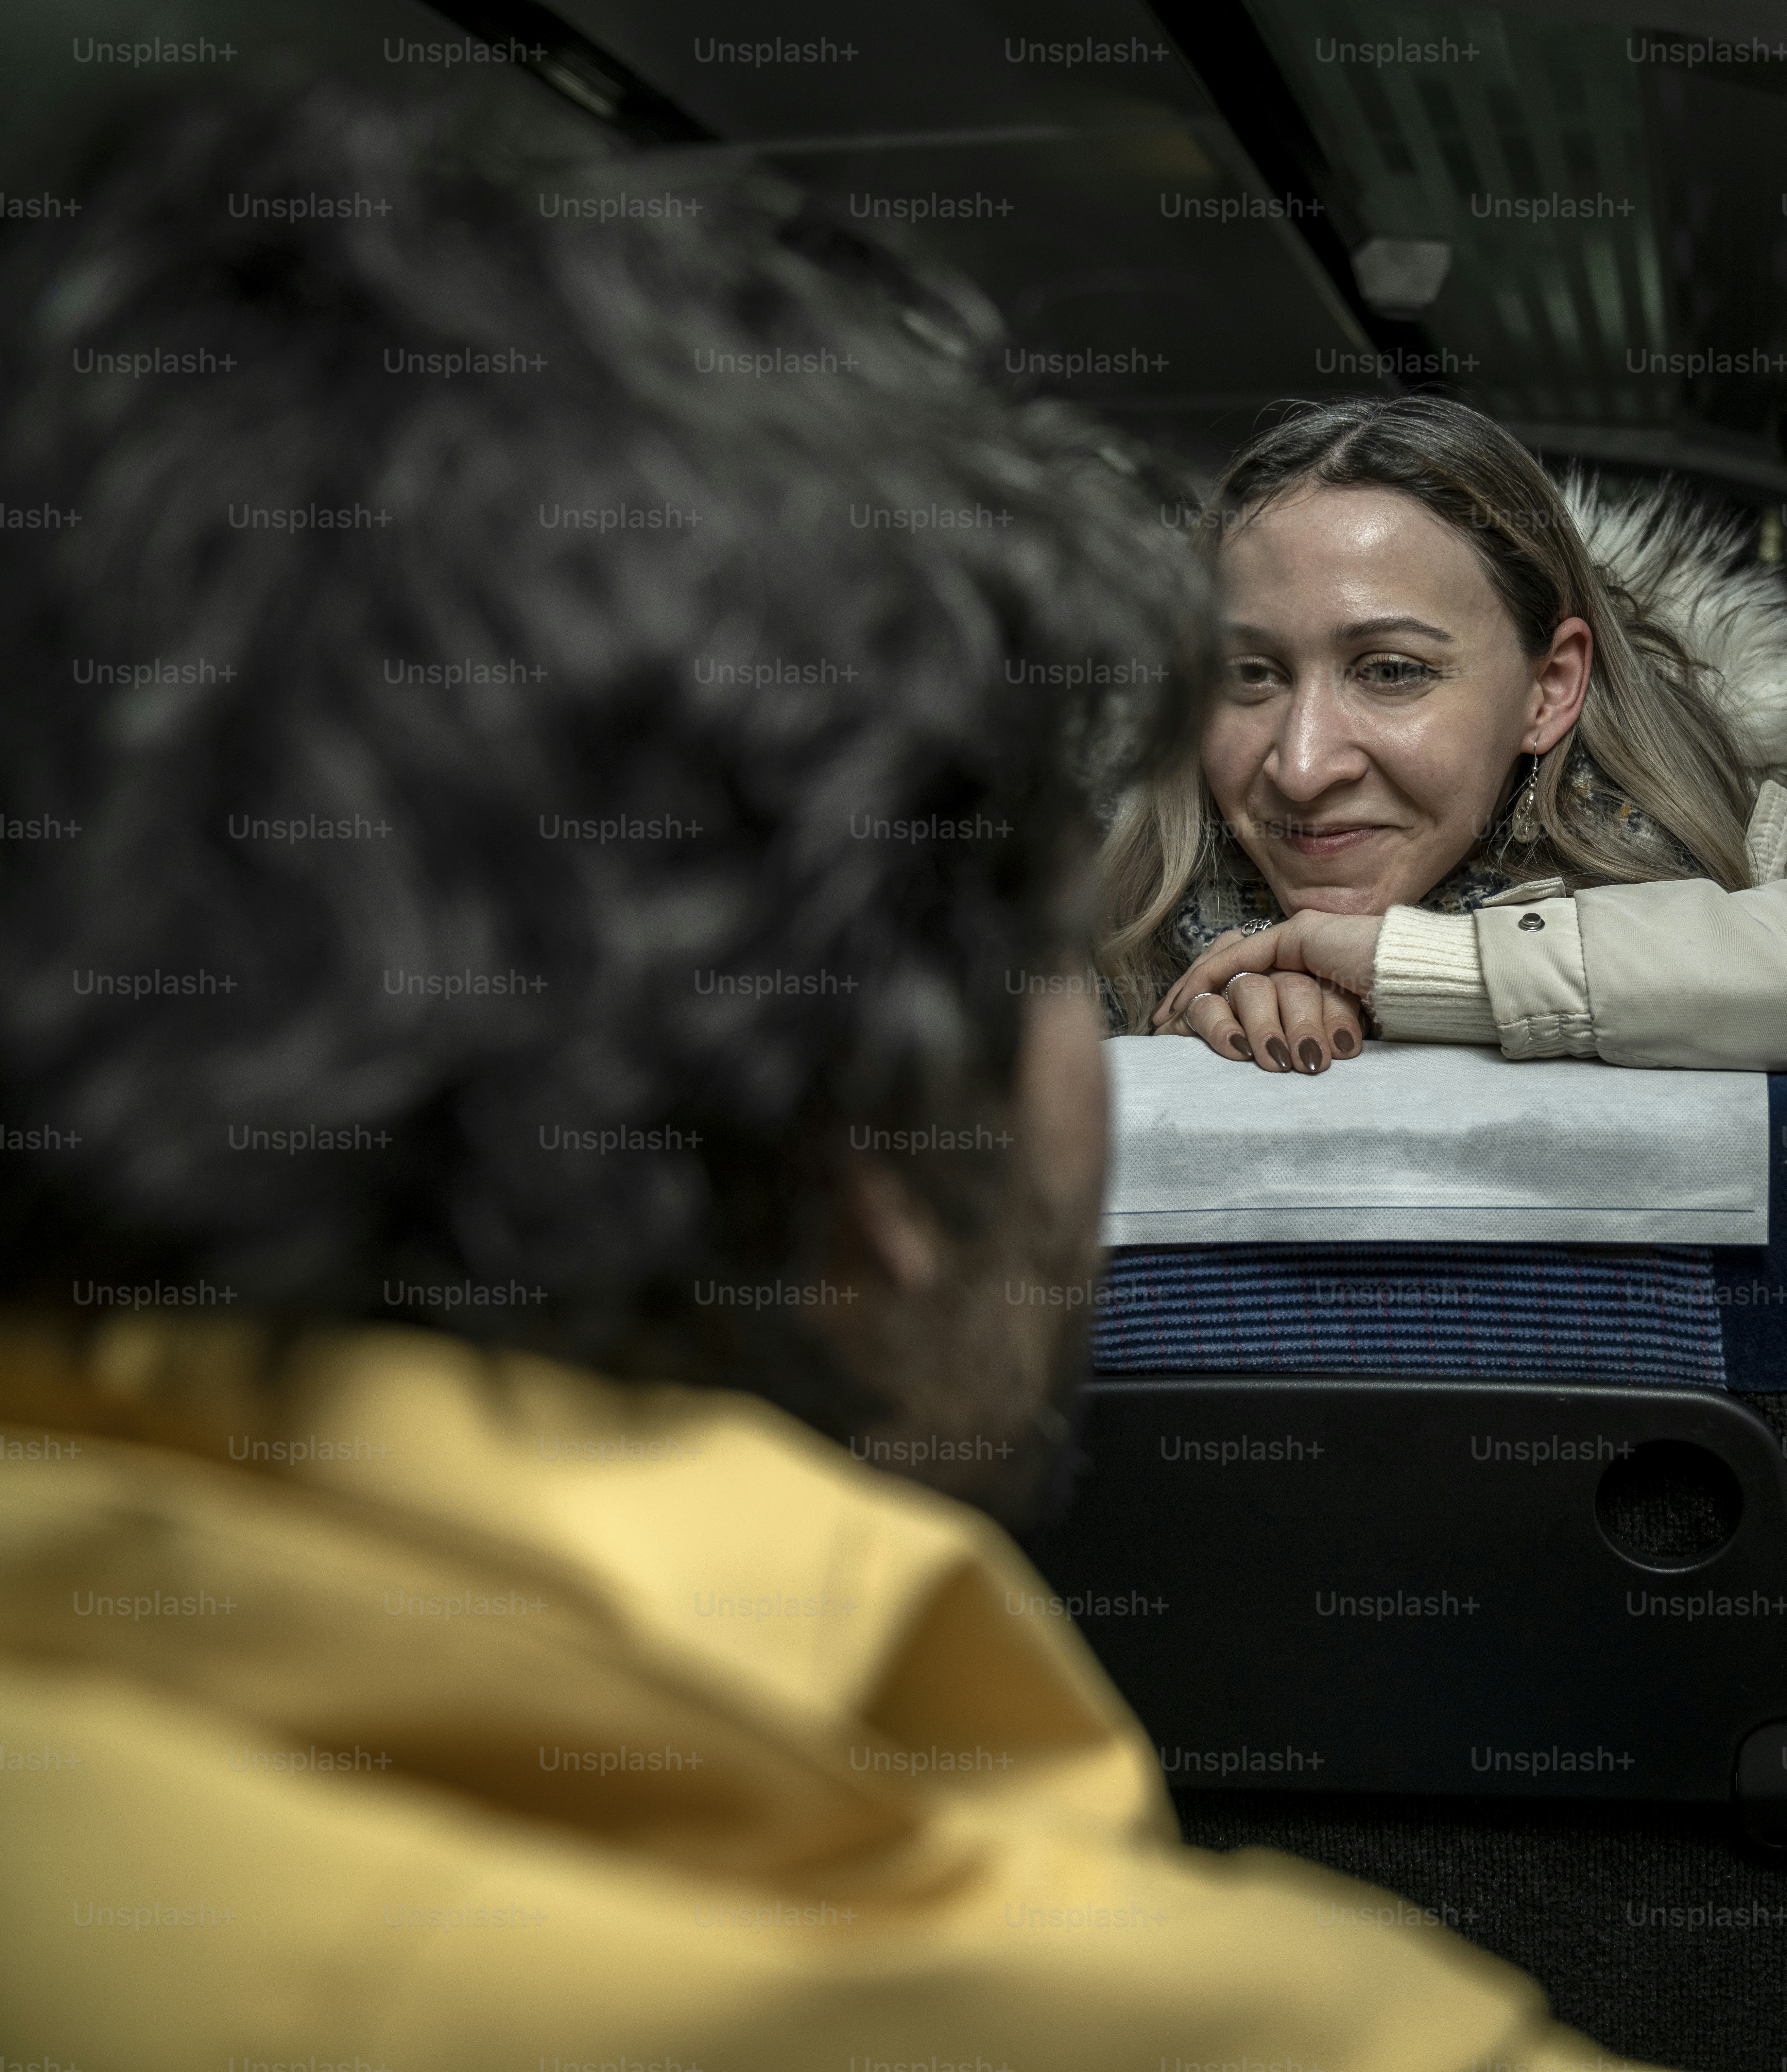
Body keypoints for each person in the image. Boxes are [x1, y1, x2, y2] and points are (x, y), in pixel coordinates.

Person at [0, 79, 1651, 2071]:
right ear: (887, 1138)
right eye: (1048, 926)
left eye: (1389, 672)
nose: (1306, 766)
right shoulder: (1230, 2031)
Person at [1098, 397, 1787, 1164]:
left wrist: (1437, 975)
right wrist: (1178, 1065)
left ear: (1549, 688)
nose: (1303, 766)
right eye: (1250, 675)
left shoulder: (1705, 856)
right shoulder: (1107, 901)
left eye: (1391, 671)